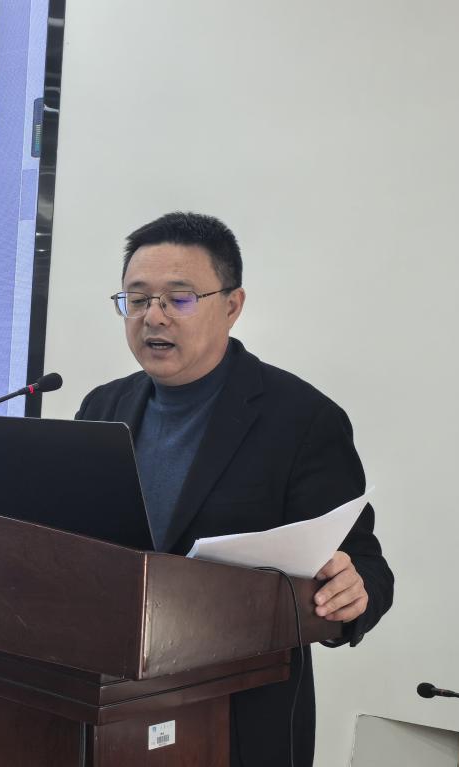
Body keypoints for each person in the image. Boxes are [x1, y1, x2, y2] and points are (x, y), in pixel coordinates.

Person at [75, 211, 394, 767]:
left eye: (179, 299)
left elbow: (365, 564)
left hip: (239, 716)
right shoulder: (102, 407)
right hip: (109, 706)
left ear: (232, 305)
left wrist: (355, 590)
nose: (154, 316)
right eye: (137, 299)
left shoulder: (301, 420)